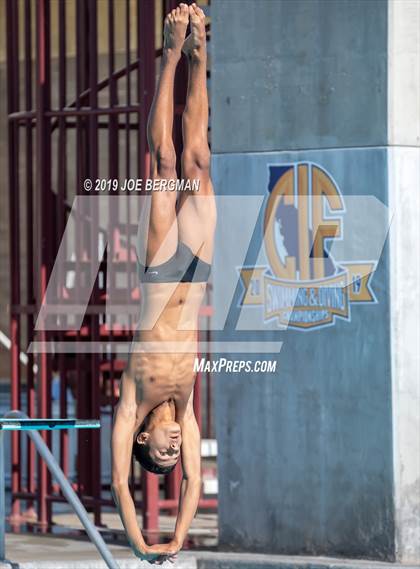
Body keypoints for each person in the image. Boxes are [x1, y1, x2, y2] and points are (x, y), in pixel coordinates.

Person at [111, 3, 216, 564]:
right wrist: (177, 537)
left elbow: (124, 490)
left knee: (164, 162)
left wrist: (141, 542)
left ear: (143, 443)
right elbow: (195, 484)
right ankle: (200, 59)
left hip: (159, 271)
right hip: (196, 268)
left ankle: (171, 50)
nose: (176, 450)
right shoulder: (186, 404)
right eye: (178, 455)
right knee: (197, 158)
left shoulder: (133, 402)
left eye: (163, 454)